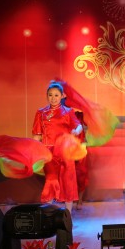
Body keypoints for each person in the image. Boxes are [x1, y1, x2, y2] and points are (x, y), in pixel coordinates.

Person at [32, 81, 83, 212]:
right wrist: (35, 151)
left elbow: (79, 126)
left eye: (56, 95)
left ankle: (68, 215)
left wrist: (76, 131)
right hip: (48, 152)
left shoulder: (68, 111)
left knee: (67, 182)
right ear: (47, 96)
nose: (53, 98)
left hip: (65, 151)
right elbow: (37, 136)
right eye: (50, 95)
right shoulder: (41, 113)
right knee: (51, 180)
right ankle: (48, 214)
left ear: (62, 96)